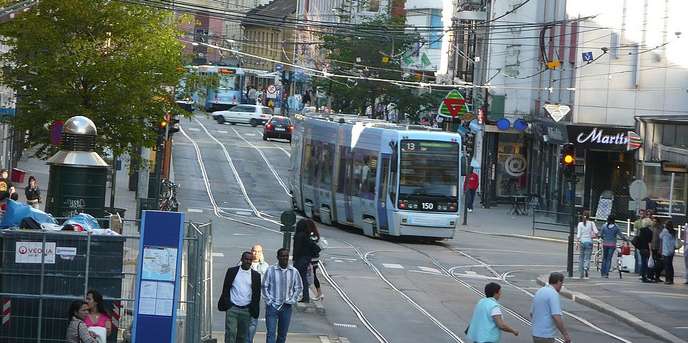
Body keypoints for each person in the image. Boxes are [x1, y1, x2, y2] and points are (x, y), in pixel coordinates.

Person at [218, 251, 261, 343]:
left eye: (250, 260)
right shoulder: (232, 271)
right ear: (242, 259)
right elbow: (226, 289)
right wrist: (228, 304)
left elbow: (256, 295)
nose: (248, 261)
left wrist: (252, 309)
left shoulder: (256, 276)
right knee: (231, 333)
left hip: (246, 310)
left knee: (242, 336)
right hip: (232, 308)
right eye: (246, 259)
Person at [262, 248, 303, 343]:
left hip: (286, 307)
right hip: (272, 307)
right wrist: (269, 302)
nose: (284, 258)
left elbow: (299, 288)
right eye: (282, 256)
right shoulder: (270, 270)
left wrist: (292, 300)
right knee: (271, 334)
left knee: (282, 335)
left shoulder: (294, 271)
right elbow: (264, 286)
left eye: (286, 256)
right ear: (278, 257)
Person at [531, 272, 571, 343]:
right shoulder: (553, 294)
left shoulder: (539, 291)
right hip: (546, 336)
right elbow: (556, 316)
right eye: (562, 283)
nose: (562, 286)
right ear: (558, 282)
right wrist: (565, 334)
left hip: (536, 334)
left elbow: (531, 313)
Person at [292, 219, 321, 303]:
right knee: (303, 277)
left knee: (297, 276)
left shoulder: (299, 235)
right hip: (307, 258)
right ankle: (305, 296)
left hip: (301, 258)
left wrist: (295, 259)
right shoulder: (306, 235)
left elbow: (297, 248)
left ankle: (299, 295)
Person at [246, 245, 269, 343]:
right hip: (244, 295)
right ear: (251, 251)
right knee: (243, 322)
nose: (256, 254)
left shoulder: (265, 266)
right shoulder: (245, 262)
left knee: (252, 322)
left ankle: (249, 340)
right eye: (254, 251)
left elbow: (267, 282)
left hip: (256, 297)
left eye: (259, 251)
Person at [576, 211, 598, 279]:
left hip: (582, 242)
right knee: (587, 257)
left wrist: (577, 243)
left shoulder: (580, 224)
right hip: (589, 242)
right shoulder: (592, 223)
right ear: (589, 216)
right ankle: (586, 267)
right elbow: (596, 232)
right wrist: (594, 236)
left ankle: (581, 273)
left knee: (581, 257)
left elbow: (578, 235)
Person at [308, 224, 327, 301]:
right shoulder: (316, 235)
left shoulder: (309, 235)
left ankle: (319, 293)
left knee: (309, 275)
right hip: (316, 258)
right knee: (314, 275)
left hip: (310, 258)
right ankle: (319, 293)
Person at [650, 217, 664, 282]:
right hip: (652, 247)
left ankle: (657, 276)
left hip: (658, 248)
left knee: (659, 264)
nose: (654, 222)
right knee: (652, 263)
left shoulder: (661, 229)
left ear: (658, 222)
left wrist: (660, 249)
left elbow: (662, 240)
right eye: (653, 221)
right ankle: (652, 276)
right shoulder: (651, 228)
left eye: (655, 221)